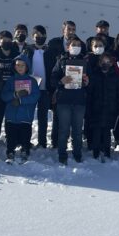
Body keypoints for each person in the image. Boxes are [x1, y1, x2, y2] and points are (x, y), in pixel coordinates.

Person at [45, 20, 86, 148]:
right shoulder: (54, 43)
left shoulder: (82, 45)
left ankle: (75, 149)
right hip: (59, 88)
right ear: (63, 30)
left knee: (75, 125)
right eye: (69, 29)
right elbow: (49, 66)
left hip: (77, 93)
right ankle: (56, 143)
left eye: (74, 29)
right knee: (58, 120)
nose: (72, 31)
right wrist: (57, 83)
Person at [51, 38, 90, 165]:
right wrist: (60, 81)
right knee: (63, 129)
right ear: (68, 47)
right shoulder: (61, 60)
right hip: (64, 100)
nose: (76, 47)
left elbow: (91, 81)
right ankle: (62, 153)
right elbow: (53, 78)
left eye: (79, 45)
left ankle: (77, 153)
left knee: (78, 130)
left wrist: (87, 82)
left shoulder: (85, 62)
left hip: (79, 100)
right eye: (74, 45)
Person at [1, 55, 40, 164]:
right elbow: (4, 95)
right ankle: (10, 151)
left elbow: (35, 96)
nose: (20, 67)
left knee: (25, 135)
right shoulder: (10, 80)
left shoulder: (32, 81)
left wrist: (22, 101)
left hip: (25, 115)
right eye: (17, 65)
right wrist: (14, 95)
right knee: (11, 135)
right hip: (11, 114)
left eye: (22, 65)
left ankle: (25, 149)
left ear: (27, 67)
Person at [87, 53, 119, 161]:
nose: (105, 64)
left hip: (110, 109)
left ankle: (107, 151)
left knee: (107, 132)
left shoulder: (116, 78)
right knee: (96, 132)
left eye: (108, 62)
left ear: (112, 64)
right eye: (103, 62)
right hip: (96, 108)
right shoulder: (94, 76)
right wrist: (89, 109)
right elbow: (89, 94)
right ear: (99, 63)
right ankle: (96, 152)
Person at [20, 25, 50, 149]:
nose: (39, 38)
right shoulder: (27, 50)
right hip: (30, 88)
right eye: (37, 36)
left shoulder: (50, 51)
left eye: (42, 36)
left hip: (45, 89)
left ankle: (42, 142)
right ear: (32, 37)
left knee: (43, 118)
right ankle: (25, 140)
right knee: (27, 116)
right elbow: (21, 66)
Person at [0, 30, 21, 146]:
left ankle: (11, 137)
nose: (7, 43)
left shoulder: (15, 53)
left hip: (12, 89)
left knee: (11, 115)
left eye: (9, 41)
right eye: (4, 40)